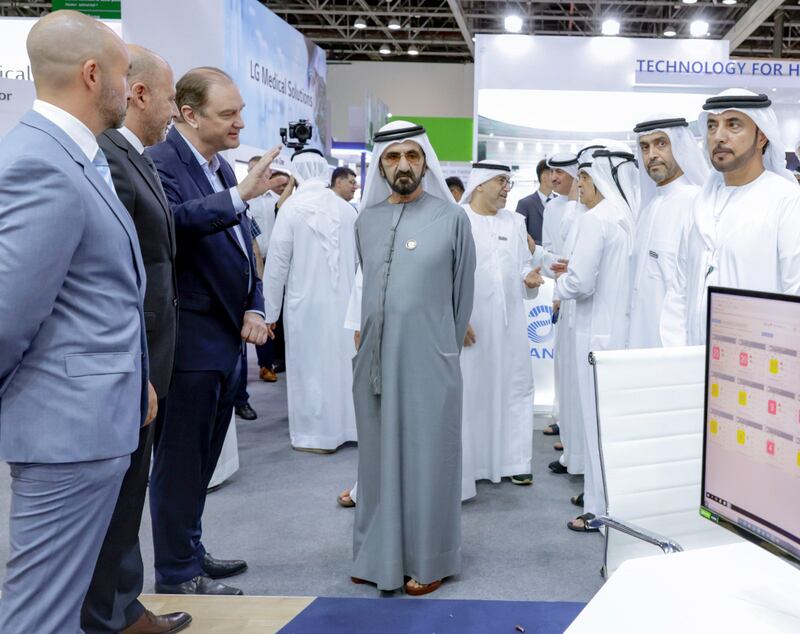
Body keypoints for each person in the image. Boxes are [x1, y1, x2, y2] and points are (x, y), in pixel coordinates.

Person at [0, 12, 153, 632]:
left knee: (60, 606)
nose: (129, 88)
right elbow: (9, 314)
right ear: (93, 75)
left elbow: (94, 295)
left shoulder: (74, 156)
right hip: (64, 430)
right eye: (123, 74)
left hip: (90, 421)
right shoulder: (41, 162)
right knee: (41, 613)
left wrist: (130, 376)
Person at [147, 66, 280, 595]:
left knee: (202, 459)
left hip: (226, 341)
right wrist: (240, 194)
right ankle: (177, 573)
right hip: (190, 341)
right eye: (228, 114)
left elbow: (243, 245)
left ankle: (190, 550)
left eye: (240, 112)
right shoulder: (159, 164)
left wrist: (254, 304)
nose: (239, 124)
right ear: (189, 114)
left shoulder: (219, 168)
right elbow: (174, 226)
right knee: (180, 463)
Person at [81, 46, 190, 634]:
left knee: (129, 494)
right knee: (118, 499)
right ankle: (114, 616)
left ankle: (123, 607)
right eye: (171, 96)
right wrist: (137, 365)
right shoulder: (107, 157)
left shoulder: (135, 157)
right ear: (139, 92)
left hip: (149, 358)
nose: (175, 109)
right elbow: (113, 278)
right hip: (129, 362)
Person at [350, 120, 475, 595]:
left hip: (429, 359)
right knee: (377, 462)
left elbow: (461, 300)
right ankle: (375, 555)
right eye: (392, 157)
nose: (403, 165)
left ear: (425, 162)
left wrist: (441, 348)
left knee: (428, 459)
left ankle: (430, 557)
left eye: (412, 156)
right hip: (375, 363)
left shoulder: (451, 219)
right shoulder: (365, 221)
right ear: (381, 165)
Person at [661, 89, 800, 347]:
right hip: (693, 364)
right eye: (712, 126)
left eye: (733, 124)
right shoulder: (700, 204)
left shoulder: (787, 201)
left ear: (762, 137)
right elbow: (679, 291)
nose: (718, 136)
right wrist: (676, 359)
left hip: (760, 368)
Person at [553, 143, 639, 533]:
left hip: (593, 337)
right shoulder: (628, 214)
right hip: (619, 333)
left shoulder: (596, 218)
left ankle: (598, 510)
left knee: (595, 423)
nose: (580, 185)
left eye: (585, 177)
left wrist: (558, 279)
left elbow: (580, 284)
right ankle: (598, 496)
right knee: (614, 426)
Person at [263, 148, 359, 452]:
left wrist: (269, 313)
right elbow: (361, 264)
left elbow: (277, 264)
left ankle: (314, 435)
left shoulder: (291, 208)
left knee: (309, 367)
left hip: (304, 305)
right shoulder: (347, 210)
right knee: (343, 365)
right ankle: (347, 428)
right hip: (344, 303)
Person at [459, 161, 543, 500]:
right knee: (472, 393)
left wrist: (530, 281)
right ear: (479, 184)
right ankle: (472, 465)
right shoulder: (458, 220)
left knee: (514, 389)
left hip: (510, 329)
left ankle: (514, 462)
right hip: (472, 327)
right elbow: (446, 275)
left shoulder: (516, 221)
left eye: (508, 181)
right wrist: (457, 317)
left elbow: (523, 270)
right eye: (500, 181)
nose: (507, 188)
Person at [627, 117, 708, 349]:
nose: (651, 154)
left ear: (680, 146)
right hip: (640, 342)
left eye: (661, 143)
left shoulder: (696, 203)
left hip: (675, 349)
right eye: (645, 147)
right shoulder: (649, 208)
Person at [539, 153, 579, 465]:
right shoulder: (552, 207)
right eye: (551, 172)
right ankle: (563, 423)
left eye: (560, 172)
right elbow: (551, 250)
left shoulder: (585, 208)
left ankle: (572, 435)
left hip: (577, 290)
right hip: (562, 288)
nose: (554, 178)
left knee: (573, 367)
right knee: (561, 364)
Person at [248, 161, 290, 384]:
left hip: (276, 263)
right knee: (257, 312)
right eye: (252, 169)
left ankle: (275, 359)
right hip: (253, 264)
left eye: (262, 168)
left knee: (276, 313)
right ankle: (264, 364)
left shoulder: (279, 203)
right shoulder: (244, 201)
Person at [516, 158, 554, 244]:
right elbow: (520, 236)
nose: (556, 177)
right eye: (552, 173)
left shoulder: (562, 202)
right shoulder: (524, 204)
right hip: (536, 255)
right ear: (543, 177)